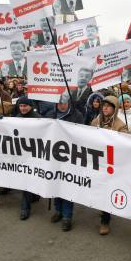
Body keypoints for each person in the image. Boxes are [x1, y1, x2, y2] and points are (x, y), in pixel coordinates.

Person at [90, 95, 128, 234]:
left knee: (107, 190)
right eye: (103, 105)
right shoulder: (95, 122)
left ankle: (105, 221)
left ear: (115, 108)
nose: (105, 108)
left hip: (112, 164)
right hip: (97, 161)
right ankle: (102, 209)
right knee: (98, 188)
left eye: (108, 106)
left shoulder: (120, 125)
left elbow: (124, 145)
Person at [52, 91, 84, 230]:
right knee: (54, 182)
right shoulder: (51, 115)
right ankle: (58, 210)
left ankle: (67, 216)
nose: (62, 105)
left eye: (64, 103)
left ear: (68, 103)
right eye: (59, 103)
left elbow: (81, 135)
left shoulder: (77, 115)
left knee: (67, 184)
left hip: (70, 155)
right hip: (53, 155)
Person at [15, 97, 40, 220]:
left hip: (34, 154)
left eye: (25, 106)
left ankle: (25, 208)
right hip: (21, 154)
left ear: (30, 106)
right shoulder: (17, 117)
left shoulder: (37, 118)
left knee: (28, 180)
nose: (23, 108)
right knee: (26, 180)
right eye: (21, 106)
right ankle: (31, 198)